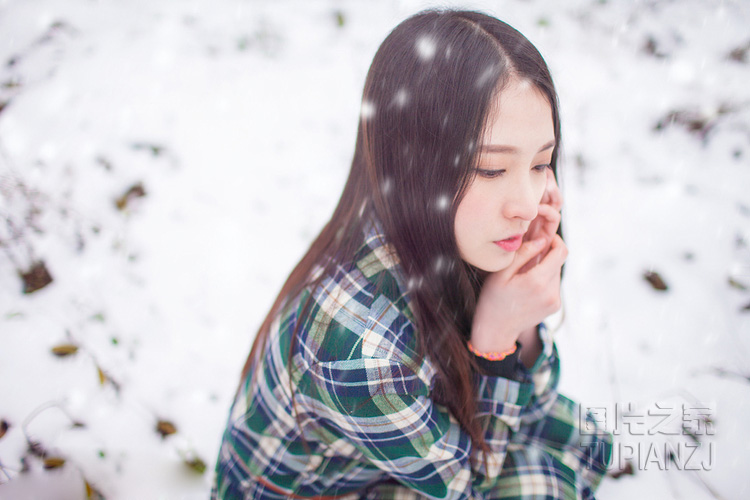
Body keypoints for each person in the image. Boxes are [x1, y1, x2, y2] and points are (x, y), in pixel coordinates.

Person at [212, 9, 612, 500]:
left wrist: (519, 315)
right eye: (490, 169)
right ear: (412, 164)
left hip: (410, 461)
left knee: (582, 441)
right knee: (546, 486)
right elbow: (465, 483)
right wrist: (495, 339)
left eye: (540, 163)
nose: (528, 205)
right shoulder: (357, 345)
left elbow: (534, 403)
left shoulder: (451, 232)